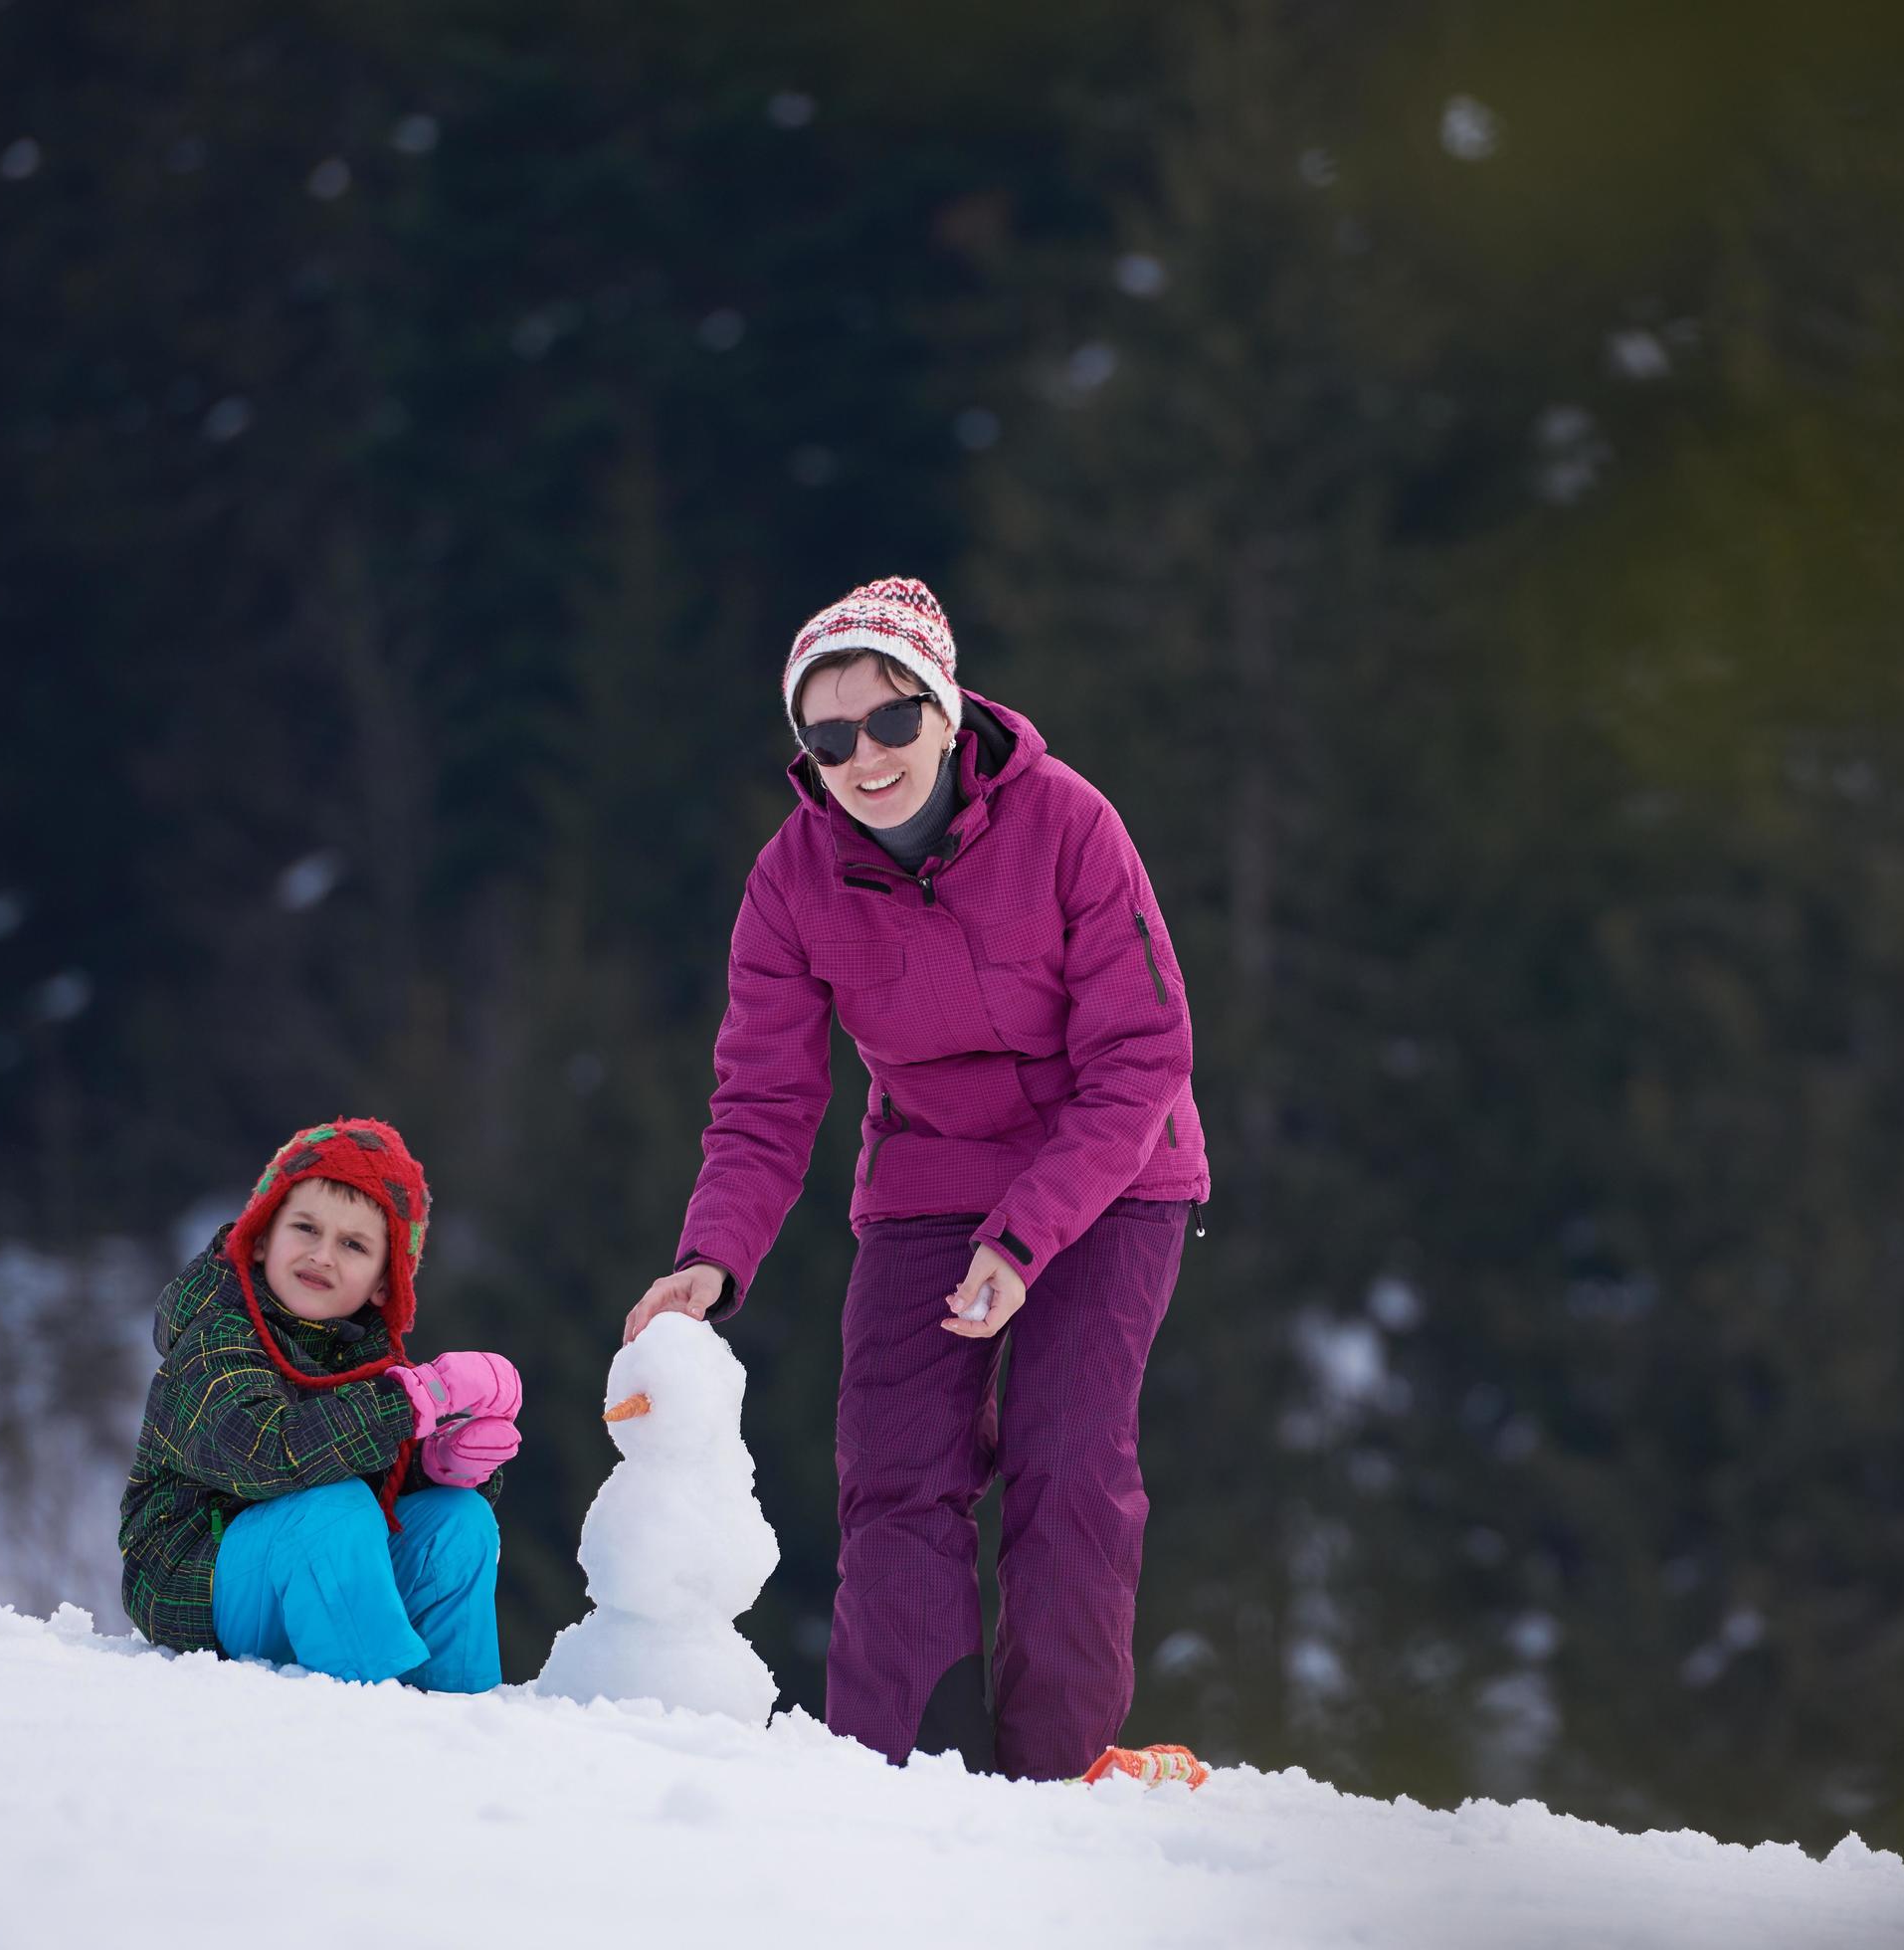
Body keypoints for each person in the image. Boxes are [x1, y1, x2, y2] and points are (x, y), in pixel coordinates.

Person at [623, 575, 1210, 1780]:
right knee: (895, 1466)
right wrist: (710, 1256)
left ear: (947, 711)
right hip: (929, 1176)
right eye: (828, 737)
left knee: (1067, 1458)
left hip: (1110, 1171)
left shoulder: (1068, 823)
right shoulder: (792, 882)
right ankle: (898, 1773)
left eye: (891, 719)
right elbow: (766, 1099)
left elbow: (1143, 1052)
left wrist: (1026, 1238)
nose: (865, 756)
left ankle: (1057, 1774)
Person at [118, 1117, 522, 1691]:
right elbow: (265, 1453)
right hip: (195, 1574)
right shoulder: (216, 1334)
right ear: (261, 1237)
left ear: (385, 1283)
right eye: (305, 1228)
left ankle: (460, 1712)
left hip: (316, 1569)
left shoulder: (369, 1359)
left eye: (353, 1244)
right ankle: (380, 1722)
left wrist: (438, 1468)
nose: (322, 1256)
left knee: (460, 1523)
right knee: (332, 1507)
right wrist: (408, 1403)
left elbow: (374, 1473)